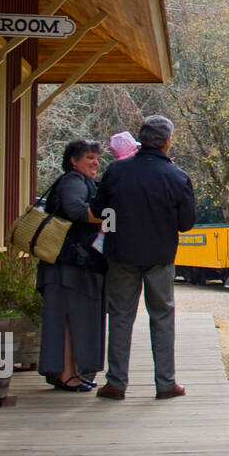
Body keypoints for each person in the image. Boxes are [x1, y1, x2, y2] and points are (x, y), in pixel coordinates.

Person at [93, 115, 197, 400]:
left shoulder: (117, 171)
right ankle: (165, 384)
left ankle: (115, 382)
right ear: (167, 142)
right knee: (162, 316)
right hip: (160, 256)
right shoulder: (178, 177)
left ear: (141, 139)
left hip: (121, 254)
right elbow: (186, 223)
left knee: (121, 316)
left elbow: (100, 209)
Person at [37, 138, 107, 392]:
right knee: (67, 319)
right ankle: (67, 375)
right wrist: (111, 214)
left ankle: (72, 372)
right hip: (66, 264)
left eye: (97, 158)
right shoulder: (72, 182)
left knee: (72, 318)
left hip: (72, 263)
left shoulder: (82, 181)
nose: (95, 162)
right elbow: (76, 210)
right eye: (89, 158)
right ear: (73, 161)